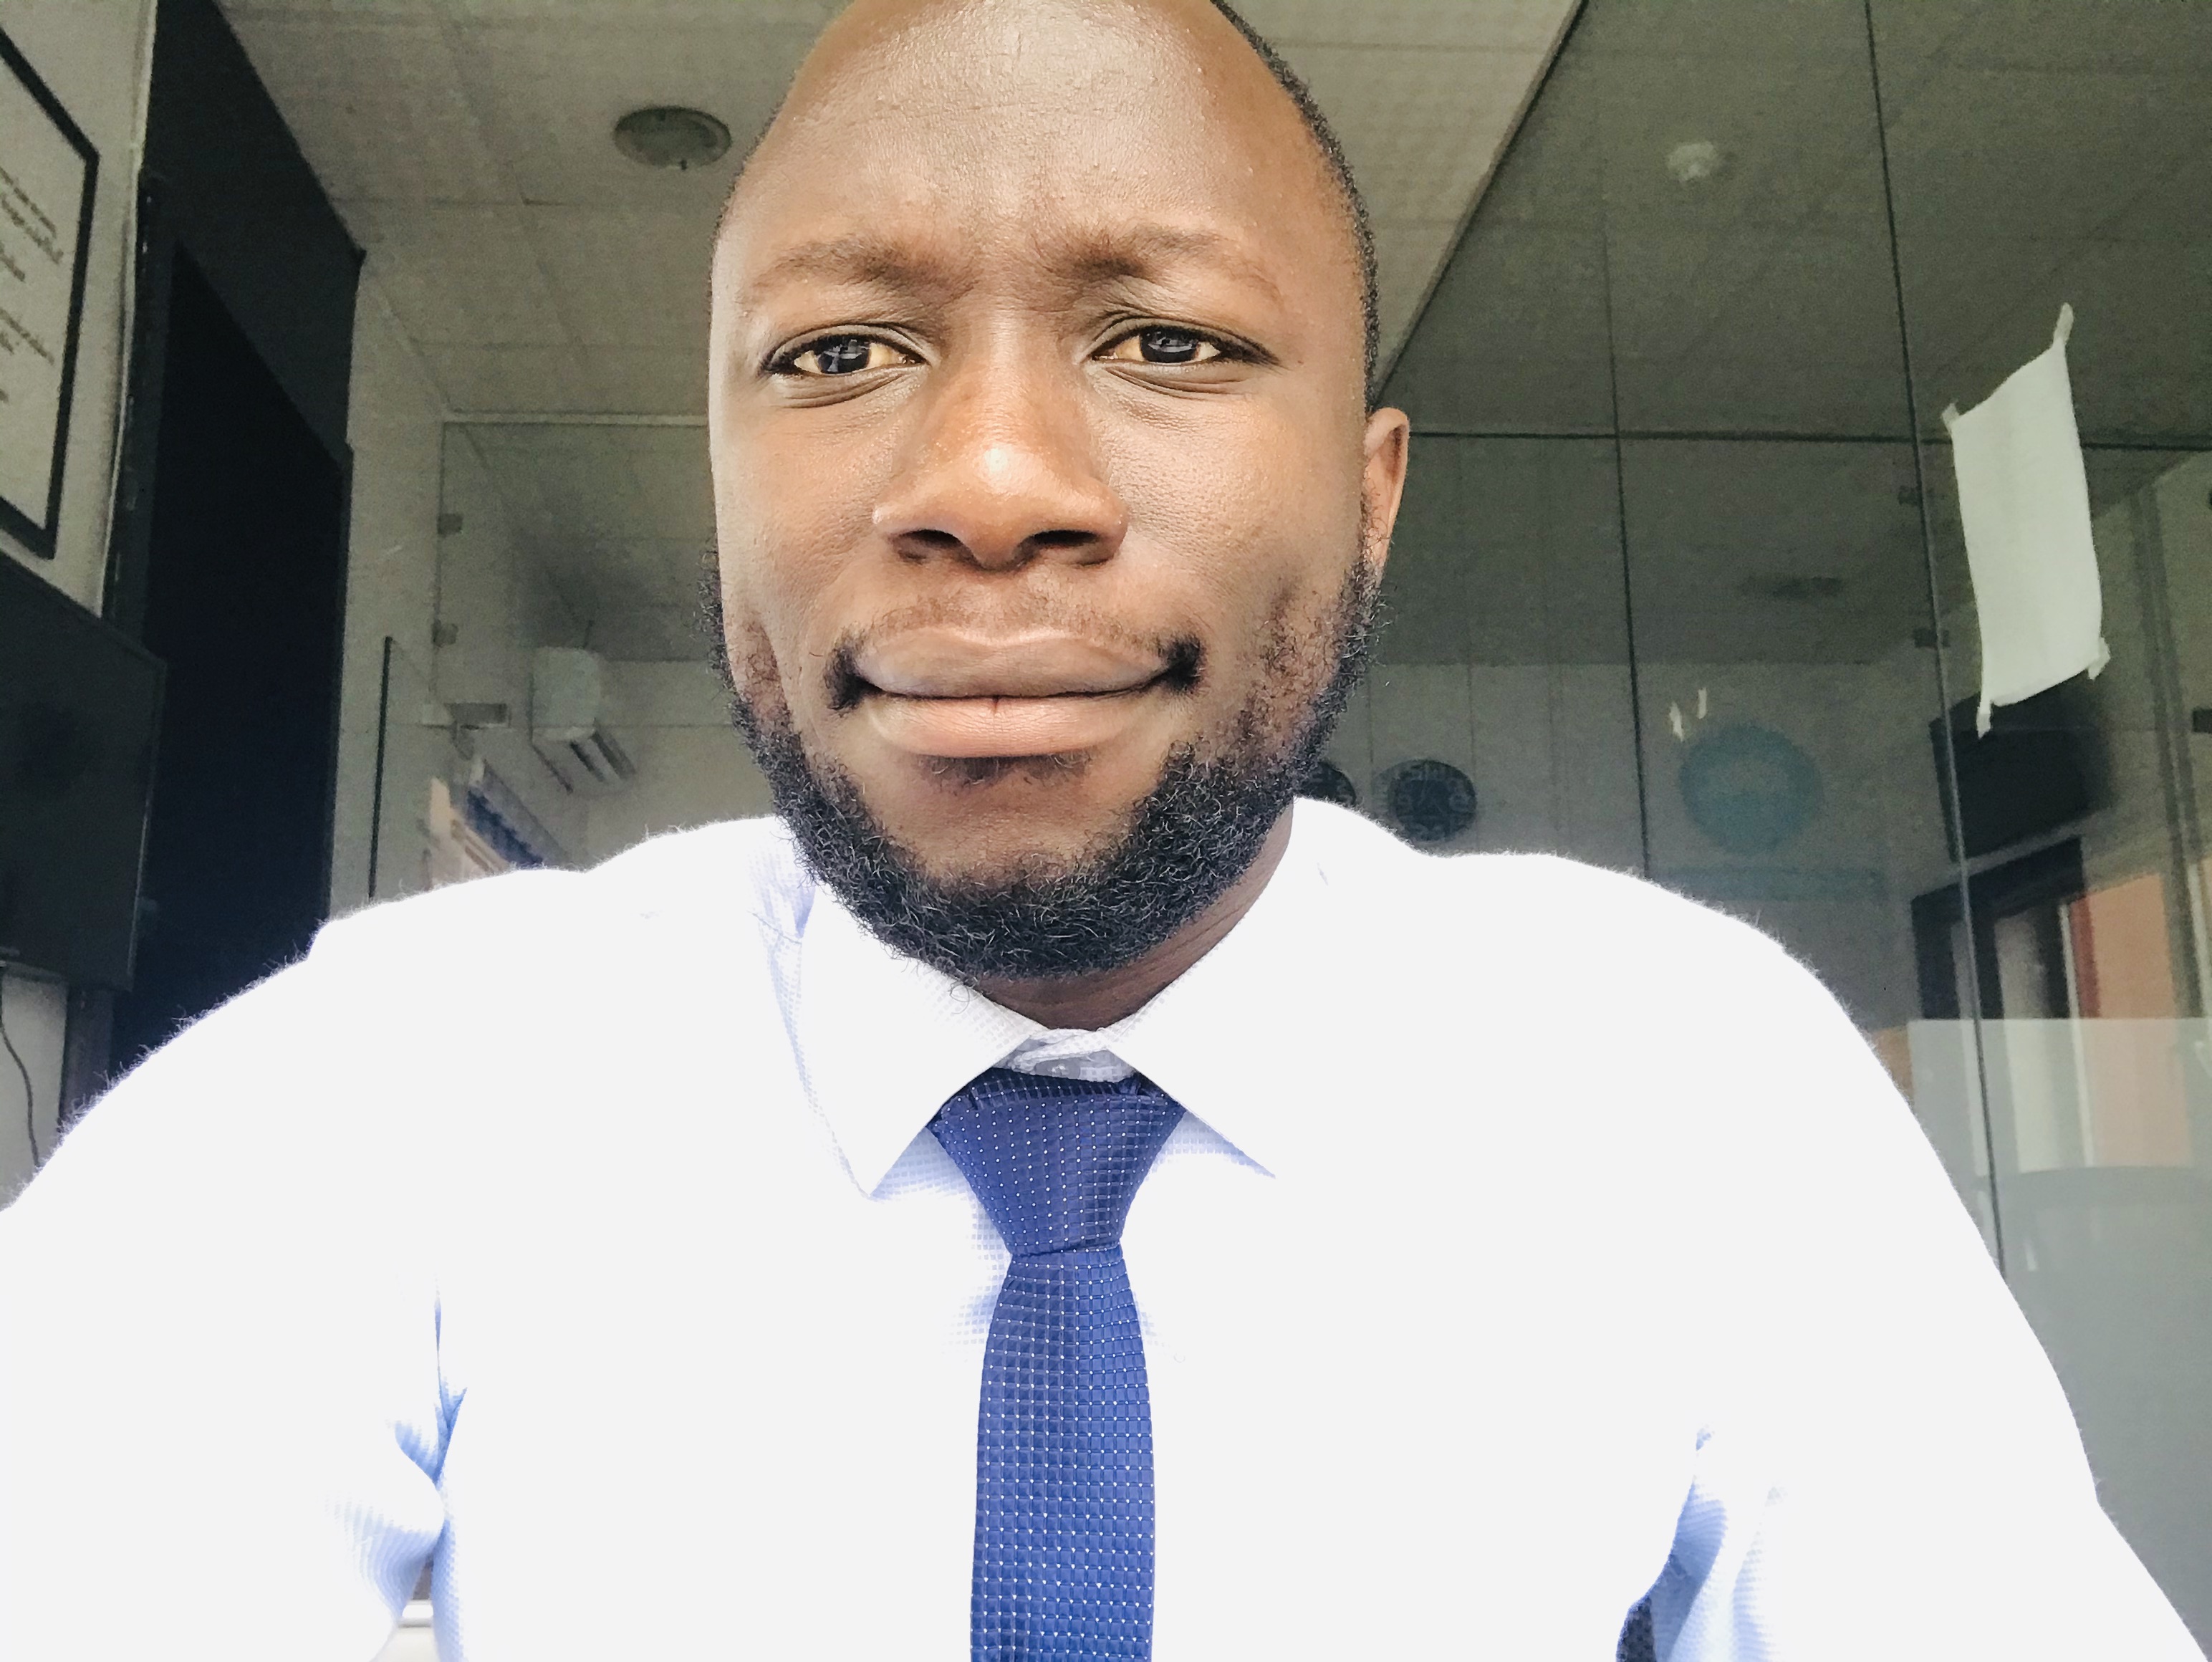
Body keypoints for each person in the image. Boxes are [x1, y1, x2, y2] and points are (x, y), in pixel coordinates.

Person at [0, 0, 2200, 1656]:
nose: (989, 484)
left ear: (1369, 494)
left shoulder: (1687, 1069)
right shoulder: (397, 1074)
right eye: (838, 355)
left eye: (1166, 339)